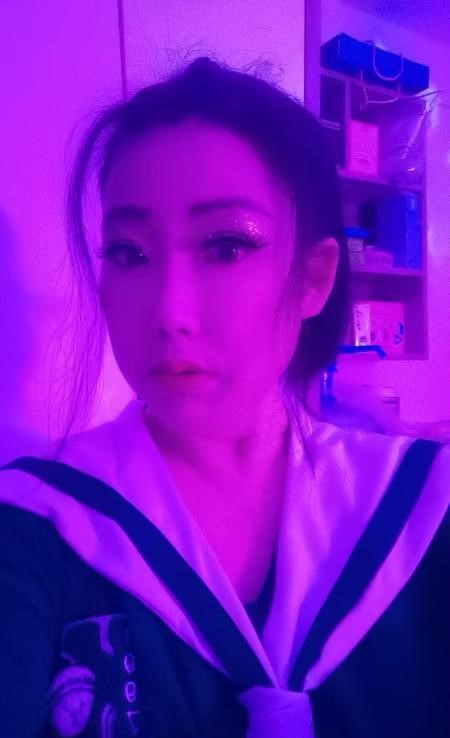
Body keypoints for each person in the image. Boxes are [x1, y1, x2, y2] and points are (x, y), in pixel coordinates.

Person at [0, 55, 448, 738]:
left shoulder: (420, 508)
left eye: (226, 247)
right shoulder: (37, 524)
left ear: (312, 278)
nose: (169, 312)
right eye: (130, 253)